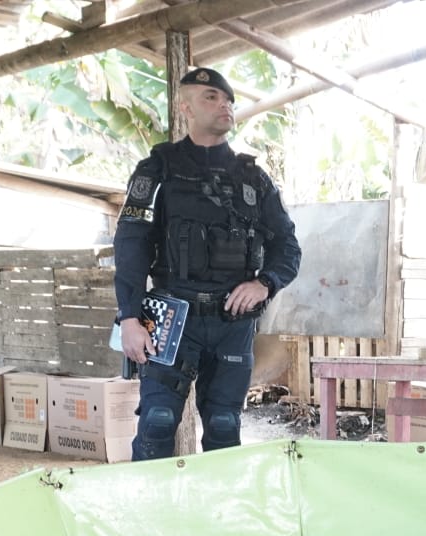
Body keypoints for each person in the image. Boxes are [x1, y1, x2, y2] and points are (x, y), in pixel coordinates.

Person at [113, 66, 301, 460]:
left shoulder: (254, 180)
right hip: (170, 318)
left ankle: (216, 516)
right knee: (157, 422)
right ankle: (148, 515)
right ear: (186, 108)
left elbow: (288, 246)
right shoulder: (157, 171)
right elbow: (130, 246)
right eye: (210, 98)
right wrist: (129, 318)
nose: (224, 106)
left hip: (232, 324)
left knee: (224, 429)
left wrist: (265, 283)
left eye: (228, 100)